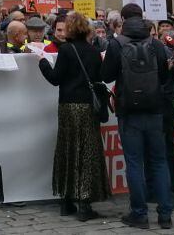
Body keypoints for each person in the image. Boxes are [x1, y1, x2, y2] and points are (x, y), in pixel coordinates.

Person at [100, 3, 173, 229]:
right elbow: (164, 75)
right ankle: (165, 215)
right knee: (160, 162)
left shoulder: (116, 43)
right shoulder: (156, 43)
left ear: (122, 20)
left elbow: (106, 75)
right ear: (142, 18)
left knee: (134, 162)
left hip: (128, 109)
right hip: (154, 109)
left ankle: (139, 213)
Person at [37, 11, 109, 222]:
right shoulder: (94, 51)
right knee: (87, 152)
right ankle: (85, 203)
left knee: (68, 150)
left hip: (68, 106)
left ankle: (66, 201)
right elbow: (99, 77)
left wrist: (42, 63)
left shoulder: (67, 50)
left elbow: (55, 79)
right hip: (87, 107)